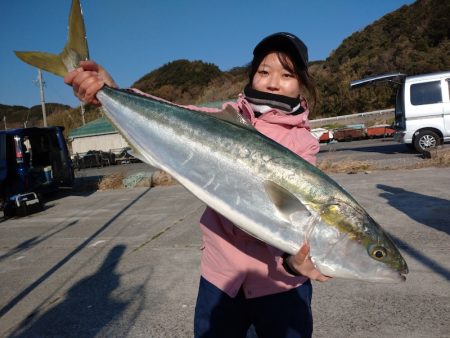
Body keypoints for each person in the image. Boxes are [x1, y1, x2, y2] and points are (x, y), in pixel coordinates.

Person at [64, 32, 330, 338]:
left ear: (301, 84)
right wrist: (111, 90)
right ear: (252, 76)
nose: (273, 82)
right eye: (263, 71)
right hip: (221, 278)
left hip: (279, 285)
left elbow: (296, 218)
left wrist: (293, 264)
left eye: (287, 74)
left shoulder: (302, 144)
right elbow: (176, 115)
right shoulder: (227, 117)